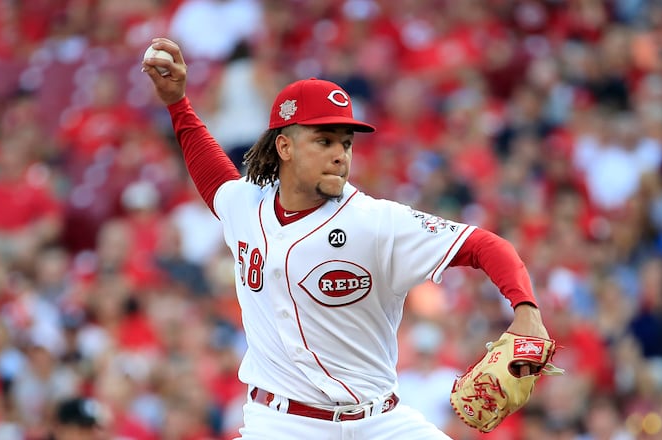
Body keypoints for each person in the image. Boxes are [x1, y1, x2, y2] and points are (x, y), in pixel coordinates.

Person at [142, 37, 555, 439]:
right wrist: (178, 104)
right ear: (284, 146)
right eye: (324, 141)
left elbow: (488, 246)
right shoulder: (245, 205)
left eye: (345, 142)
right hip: (281, 424)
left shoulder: (376, 222)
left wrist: (527, 312)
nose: (340, 153)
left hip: (380, 421)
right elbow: (212, 173)